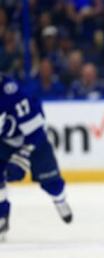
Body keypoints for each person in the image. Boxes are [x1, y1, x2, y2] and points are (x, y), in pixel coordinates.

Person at [0, 74, 73, 241]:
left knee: (52, 183)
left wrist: (23, 156)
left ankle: (59, 200)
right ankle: (2, 216)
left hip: (32, 139)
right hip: (4, 141)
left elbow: (37, 130)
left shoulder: (13, 95)